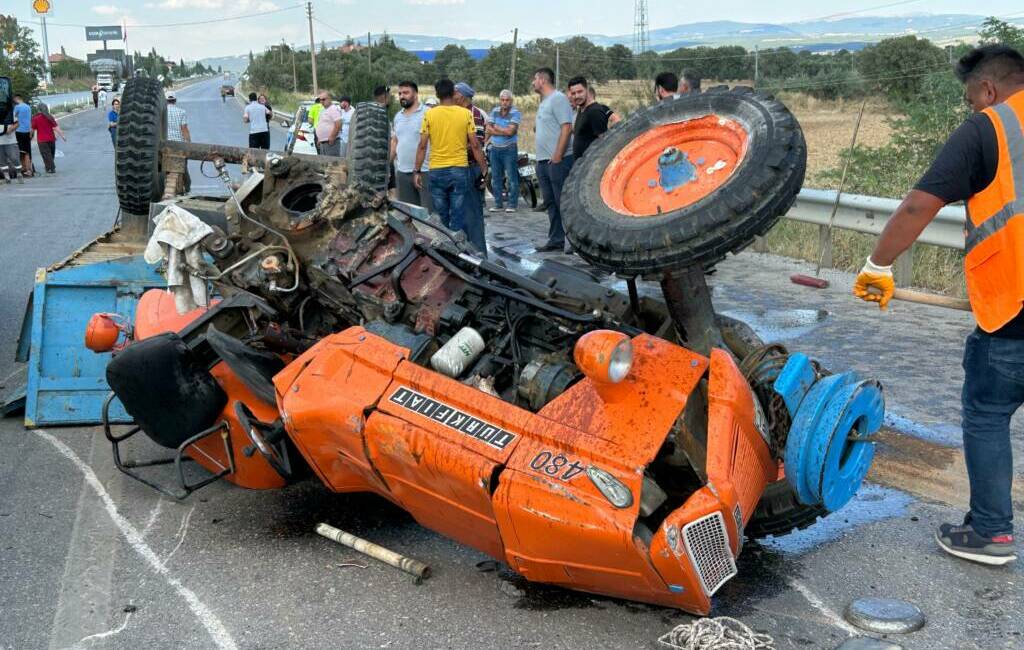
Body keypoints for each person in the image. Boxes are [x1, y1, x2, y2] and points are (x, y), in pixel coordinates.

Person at [852, 45, 1024, 566]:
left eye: (973, 98)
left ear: (988, 90)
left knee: (989, 413)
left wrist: (879, 264)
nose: (973, 108)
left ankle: (992, 534)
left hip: (1015, 309)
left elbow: (919, 204)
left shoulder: (991, 127)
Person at [414, 79, 487, 255]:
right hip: (459, 171)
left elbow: (422, 146)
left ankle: (445, 252)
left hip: (437, 171)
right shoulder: (465, 114)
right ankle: (459, 253)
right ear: (452, 93)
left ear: (437, 94)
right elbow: (476, 145)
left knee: (442, 215)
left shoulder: (430, 115)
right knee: (458, 215)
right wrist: (484, 169)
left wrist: (416, 170)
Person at [532, 66, 575, 252]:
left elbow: (567, 127)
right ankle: (556, 239)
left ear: (542, 80)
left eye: (534, 79)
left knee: (562, 202)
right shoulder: (544, 101)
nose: (533, 83)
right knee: (550, 202)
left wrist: (557, 154)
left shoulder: (558, 98)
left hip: (558, 160)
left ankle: (574, 242)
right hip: (543, 161)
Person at [453, 82, 488, 253]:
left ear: (463, 96)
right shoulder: (459, 113)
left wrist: (453, 147)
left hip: (470, 168)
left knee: (473, 216)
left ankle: (480, 254)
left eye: (456, 93)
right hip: (460, 168)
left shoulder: (474, 114)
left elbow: (477, 144)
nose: (453, 96)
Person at [390, 80, 433, 210]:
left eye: (406, 92)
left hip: (425, 172)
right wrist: (388, 164)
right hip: (403, 172)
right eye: (400, 93)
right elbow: (395, 141)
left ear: (415, 94)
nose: (402, 96)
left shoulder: (428, 113)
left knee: (429, 214)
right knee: (408, 214)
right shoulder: (398, 116)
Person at [486, 89, 521, 213]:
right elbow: (488, 129)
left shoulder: (515, 113)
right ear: (500, 100)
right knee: (496, 178)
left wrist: (496, 128)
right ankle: (498, 204)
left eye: (507, 100)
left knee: (512, 178)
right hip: (495, 149)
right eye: (502, 100)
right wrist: (502, 130)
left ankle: (512, 204)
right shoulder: (494, 111)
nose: (504, 102)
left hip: (509, 149)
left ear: (511, 101)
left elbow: (511, 132)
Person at [567, 76, 616, 159]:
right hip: (580, 167)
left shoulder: (595, 112)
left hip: (591, 167)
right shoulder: (581, 109)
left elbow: (604, 143)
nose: (576, 96)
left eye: (580, 92)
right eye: (573, 93)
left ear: (587, 90)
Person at [166, 92, 192, 192]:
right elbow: (184, 129)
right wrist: (188, 144)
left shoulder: (162, 113)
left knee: (167, 168)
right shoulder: (182, 112)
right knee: (183, 167)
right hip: (179, 144)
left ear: (165, 101)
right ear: (175, 100)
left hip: (166, 144)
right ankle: (187, 186)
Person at [31, 103, 64, 174]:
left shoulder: (35, 118)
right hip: (51, 139)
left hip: (42, 140)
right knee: (51, 154)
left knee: (46, 155)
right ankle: (48, 167)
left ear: (38, 109)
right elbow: (56, 127)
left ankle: (52, 167)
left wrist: (30, 136)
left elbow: (32, 129)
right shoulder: (50, 117)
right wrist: (62, 135)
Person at [314, 90, 342, 156]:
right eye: (320, 100)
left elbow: (338, 124)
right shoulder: (323, 110)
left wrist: (332, 137)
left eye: (323, 99)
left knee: (331, 164)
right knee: (324, 164)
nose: (321, 101)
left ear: (330, 99)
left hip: (331, 142)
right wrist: (319, 139)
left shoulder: (333, 109)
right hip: (323, 142)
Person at [12, 95, 33, 177]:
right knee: (27, 151)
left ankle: (23, 169)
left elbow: (13, 117)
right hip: (27, 131)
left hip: (19, 131)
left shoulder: (17, 107)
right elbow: (30, 119)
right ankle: (29, 170)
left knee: (20, 151)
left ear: (17, 99)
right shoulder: (28, 107)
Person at [0, 115, 24, 183]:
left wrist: (10, 129)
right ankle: (6, 176)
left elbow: (17, 123)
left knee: (14, 157)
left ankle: (19, 173)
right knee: (1, 160)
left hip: (10, 141)